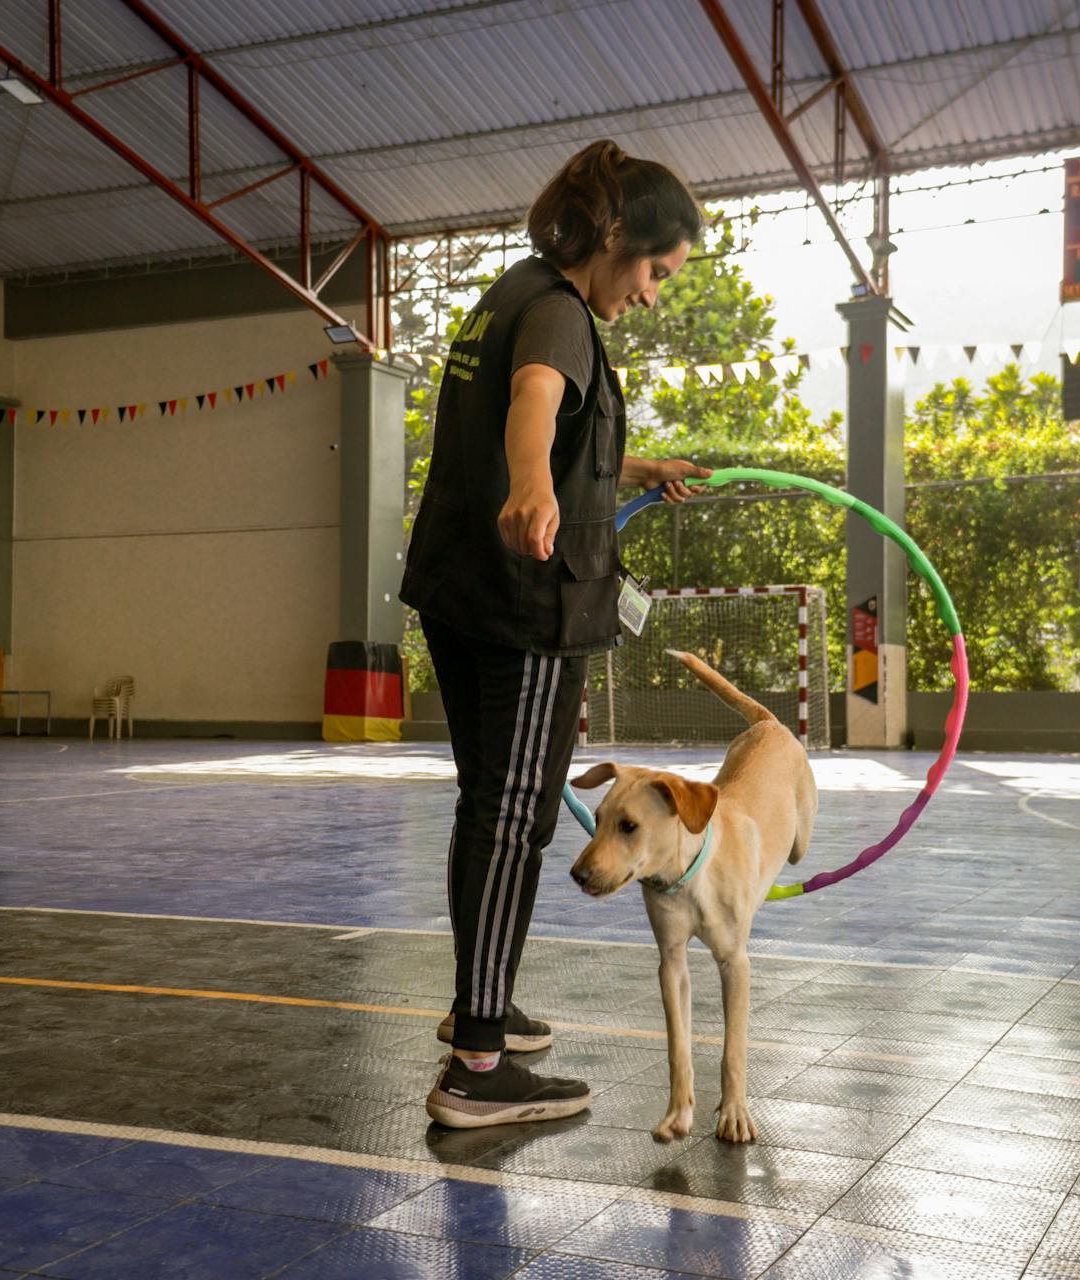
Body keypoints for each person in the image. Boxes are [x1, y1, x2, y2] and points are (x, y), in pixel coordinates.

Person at [401, 139, 708, 1128]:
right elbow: (535, 402)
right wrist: (533, 483)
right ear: (615, 238)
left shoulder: (514, 290)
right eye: (658, 271)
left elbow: (545, 421)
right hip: (525, 601)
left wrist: (634, 464)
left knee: (491, 805)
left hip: (461, 588)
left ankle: (476, 1009)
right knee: (516, 816)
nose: (654, 294)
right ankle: (481, 1067)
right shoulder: (560, 315)